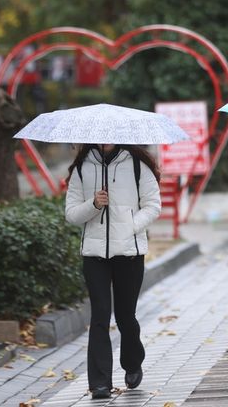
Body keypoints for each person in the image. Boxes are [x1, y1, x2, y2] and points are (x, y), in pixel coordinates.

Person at [65, 143, 161, 399]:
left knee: (125, 316)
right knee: (99, 316)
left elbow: (153, 205)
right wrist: (93, 204)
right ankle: (99, 383)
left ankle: (132, 362)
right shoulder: (83, 168)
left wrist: (130, 226)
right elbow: (71, 214)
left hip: (129, 253)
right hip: (95, 255)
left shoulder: (137, 165)